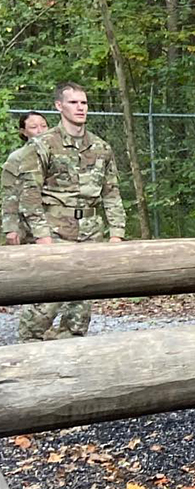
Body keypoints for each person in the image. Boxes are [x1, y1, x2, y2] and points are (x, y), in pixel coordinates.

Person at [15, 82, 126, 342]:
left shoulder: (101, 148)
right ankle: (25, 360)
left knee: (80, 307)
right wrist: (41, 236)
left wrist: (116, 234)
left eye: (84, 103)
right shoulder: (42, 145)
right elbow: (29, 195)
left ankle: (70, 363)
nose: (80, 108)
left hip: (90, 233)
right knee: (45, 301)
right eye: (73, 102)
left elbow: (111, 192)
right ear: (59, 106)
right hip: (55, 231)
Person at [3, 111, 50, 246]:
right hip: (28, 225)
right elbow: (10, 194)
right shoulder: (17, 158)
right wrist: (10, 228)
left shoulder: (60, 154)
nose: (40, 131)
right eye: (34, 127)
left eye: (44, 126)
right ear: (23, 131)